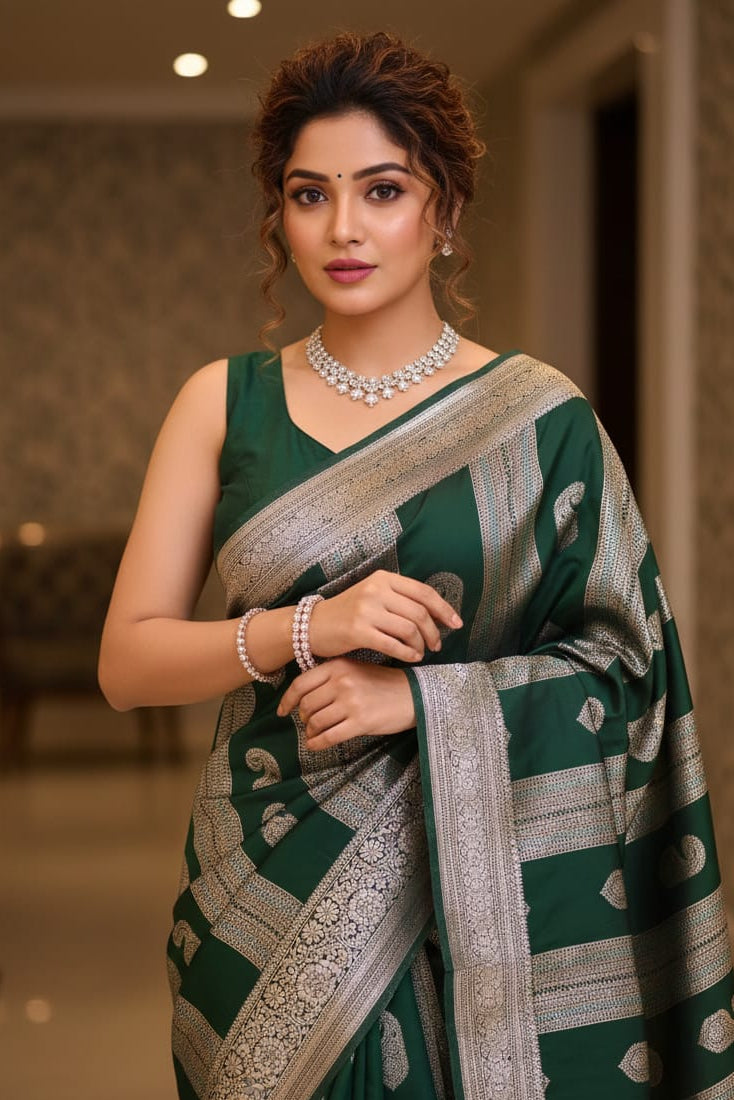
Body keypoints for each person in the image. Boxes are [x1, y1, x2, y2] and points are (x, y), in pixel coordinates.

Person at [98, 29, 734, 1100]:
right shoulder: (223, 401)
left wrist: (422, 701)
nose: (343, 228)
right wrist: (314, 626)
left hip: (481, 921)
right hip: (264, 888)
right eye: (309, 195)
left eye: (381, 190)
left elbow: (628, 675)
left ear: (442, 211)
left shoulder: (543, 419)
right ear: (278, 217)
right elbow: (127, 662)